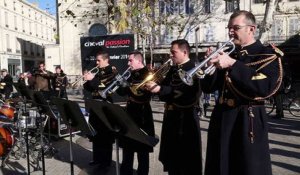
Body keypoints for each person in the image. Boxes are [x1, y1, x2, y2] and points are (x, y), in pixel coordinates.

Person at [201, 10, 283, 175]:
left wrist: (232, 64)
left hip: (247, 120)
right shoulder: (230, 53)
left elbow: (265, 86)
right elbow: (208, 88)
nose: (231, 32)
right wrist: (209, 69)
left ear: (251, 29)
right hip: (221, 118)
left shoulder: (267, 54)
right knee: (220, 165)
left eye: (236, 28)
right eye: (229, 28)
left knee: (246, 167)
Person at [145, 39, 202, 175]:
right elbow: (165, 94)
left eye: (173, 52)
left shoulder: (193, 68)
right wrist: (156, 86)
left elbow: (187, 95)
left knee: (186, 160)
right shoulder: (173, 69)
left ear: (184, 52)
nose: (171, 55)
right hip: (171, 118)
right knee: (172, 159)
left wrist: (160, 89)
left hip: (185, 119)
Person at [117, 51, 155, 175]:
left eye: (130, 60)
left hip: (142, 114)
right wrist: (119, 84)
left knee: (142, 150)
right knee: (127, 148)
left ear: (139, 60)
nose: (128, 63)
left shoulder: (148, 74)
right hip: (130, 112)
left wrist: (127, 87)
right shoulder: (131, 74)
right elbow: (123, 93)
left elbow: (144, 96)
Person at [83, 50, 118, 171]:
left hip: (105, 106)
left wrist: (92, 79)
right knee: (96, 133)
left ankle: (106, 162)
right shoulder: (97, 71)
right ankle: (97, 158)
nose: (96, 63)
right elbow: (89, 87)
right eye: (96, 60)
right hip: (95, 104)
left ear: (106, 60)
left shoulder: (112, 70)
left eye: (99, 60)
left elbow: (105, 86)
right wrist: (87, 80)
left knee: (105, 136)